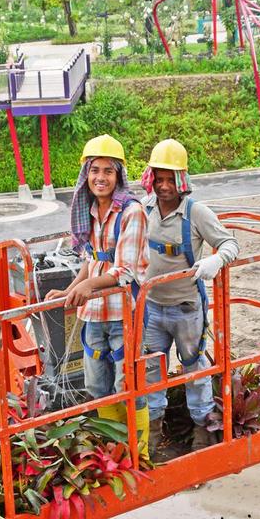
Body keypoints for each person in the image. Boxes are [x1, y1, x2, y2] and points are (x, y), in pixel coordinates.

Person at [46, 134, 150, 457]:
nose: (100, 178)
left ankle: (139, 450)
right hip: (95, 316)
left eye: (108, 171)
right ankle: (113, 447)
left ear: (118, 176)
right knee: (96, 386)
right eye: (94, 171)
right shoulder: (91, 211)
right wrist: (71, 287)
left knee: (128, 386)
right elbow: (94, 259)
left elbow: (125, 272)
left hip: (124, 314)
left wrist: (88, 288)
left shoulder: (130, 213)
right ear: (86, 176)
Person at [141, 138, 239, 460]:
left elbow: (229, 243)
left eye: (171, 179)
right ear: (151, 178)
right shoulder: (144, 210)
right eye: (160, 179)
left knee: (194, 369)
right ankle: (154, 432)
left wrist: (216, 260)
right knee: (151, 371)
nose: (165, 186)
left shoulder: (197, 213)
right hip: (151, 308)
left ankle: (201, 431)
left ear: (182, 180)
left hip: (186, 310)